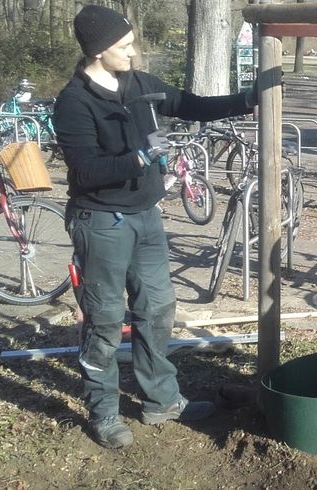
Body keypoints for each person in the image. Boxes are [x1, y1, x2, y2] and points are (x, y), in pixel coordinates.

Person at [54, 5, 259, 449]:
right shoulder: (74, 102)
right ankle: (104, 411)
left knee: (157, 309)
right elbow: (85, 171)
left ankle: (161, 400)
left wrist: (248, 99)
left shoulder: (140, 84)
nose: (133, 51)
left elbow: (190, 105)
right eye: (124, 46)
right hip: (101, 222)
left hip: (145, 216)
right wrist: (139, 158)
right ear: (98, 51)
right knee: (106, 320)